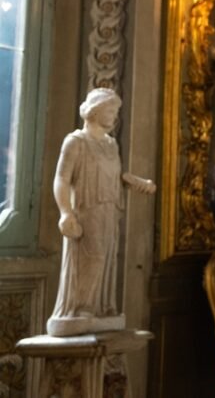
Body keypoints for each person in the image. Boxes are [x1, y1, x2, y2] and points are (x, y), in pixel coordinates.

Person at [47, 88, 156, 336]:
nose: (113, 115)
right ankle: (79, 308)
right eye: (110, 110)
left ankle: (99, 307)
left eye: (115, 111)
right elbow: (61, 180)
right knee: (91, 256)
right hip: (86, 210)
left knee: (106, 258)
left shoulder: (110, 145)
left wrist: (135, 181)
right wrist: (65, 212)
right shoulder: (76, 141)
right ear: (95, 110)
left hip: (109, 210)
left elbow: (113, 177)